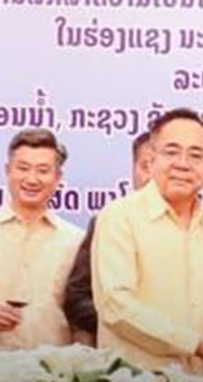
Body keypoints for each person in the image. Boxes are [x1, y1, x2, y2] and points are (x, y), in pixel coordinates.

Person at [92, 108, 203, 376]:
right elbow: (117, 307)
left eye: (196, 155)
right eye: (172, 152)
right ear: (151, 159)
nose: (183, 164)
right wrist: (195, 344)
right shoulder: (119, 217)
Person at [0, 128, 85, 363]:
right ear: (8, 171)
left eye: (42, 170)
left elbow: (83, 319)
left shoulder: (76, 241)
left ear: (57, 178)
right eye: (23, 168)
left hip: (54, 377)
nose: (31, 179)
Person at [62, 130, 154, 339]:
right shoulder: (106, 222)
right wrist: (128, 323)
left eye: (159, 167)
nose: (151, 177)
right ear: (133, 170)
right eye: (145, 166)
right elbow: (76, 300)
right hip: (121, 352)